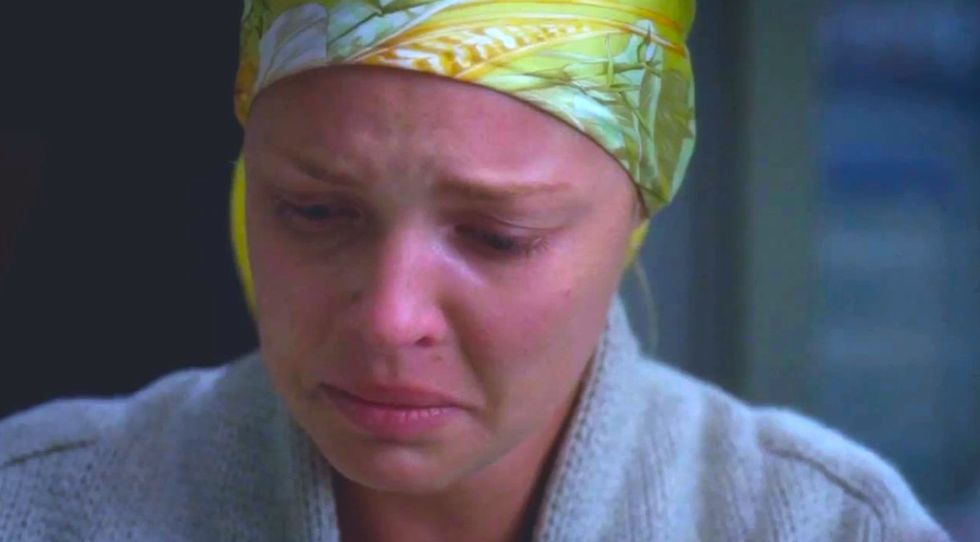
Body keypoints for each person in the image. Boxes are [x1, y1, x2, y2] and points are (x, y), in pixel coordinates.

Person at [0, 1, 950, 540]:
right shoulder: (40, 510)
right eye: (316, 212)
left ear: (638, 213)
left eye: (498, 235)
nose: (390, 318)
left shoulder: (821, 525)